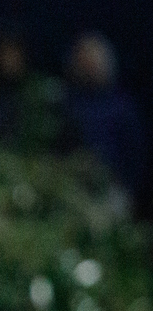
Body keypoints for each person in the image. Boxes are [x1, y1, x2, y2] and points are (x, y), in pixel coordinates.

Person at [63, 31, 149, 202]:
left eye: (94, 61)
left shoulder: (121, 106)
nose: (89, 67)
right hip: (74, 186)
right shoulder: (69, 104)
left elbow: (135, 153)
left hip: (113, 189)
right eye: (84, 61)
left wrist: (127, 187)